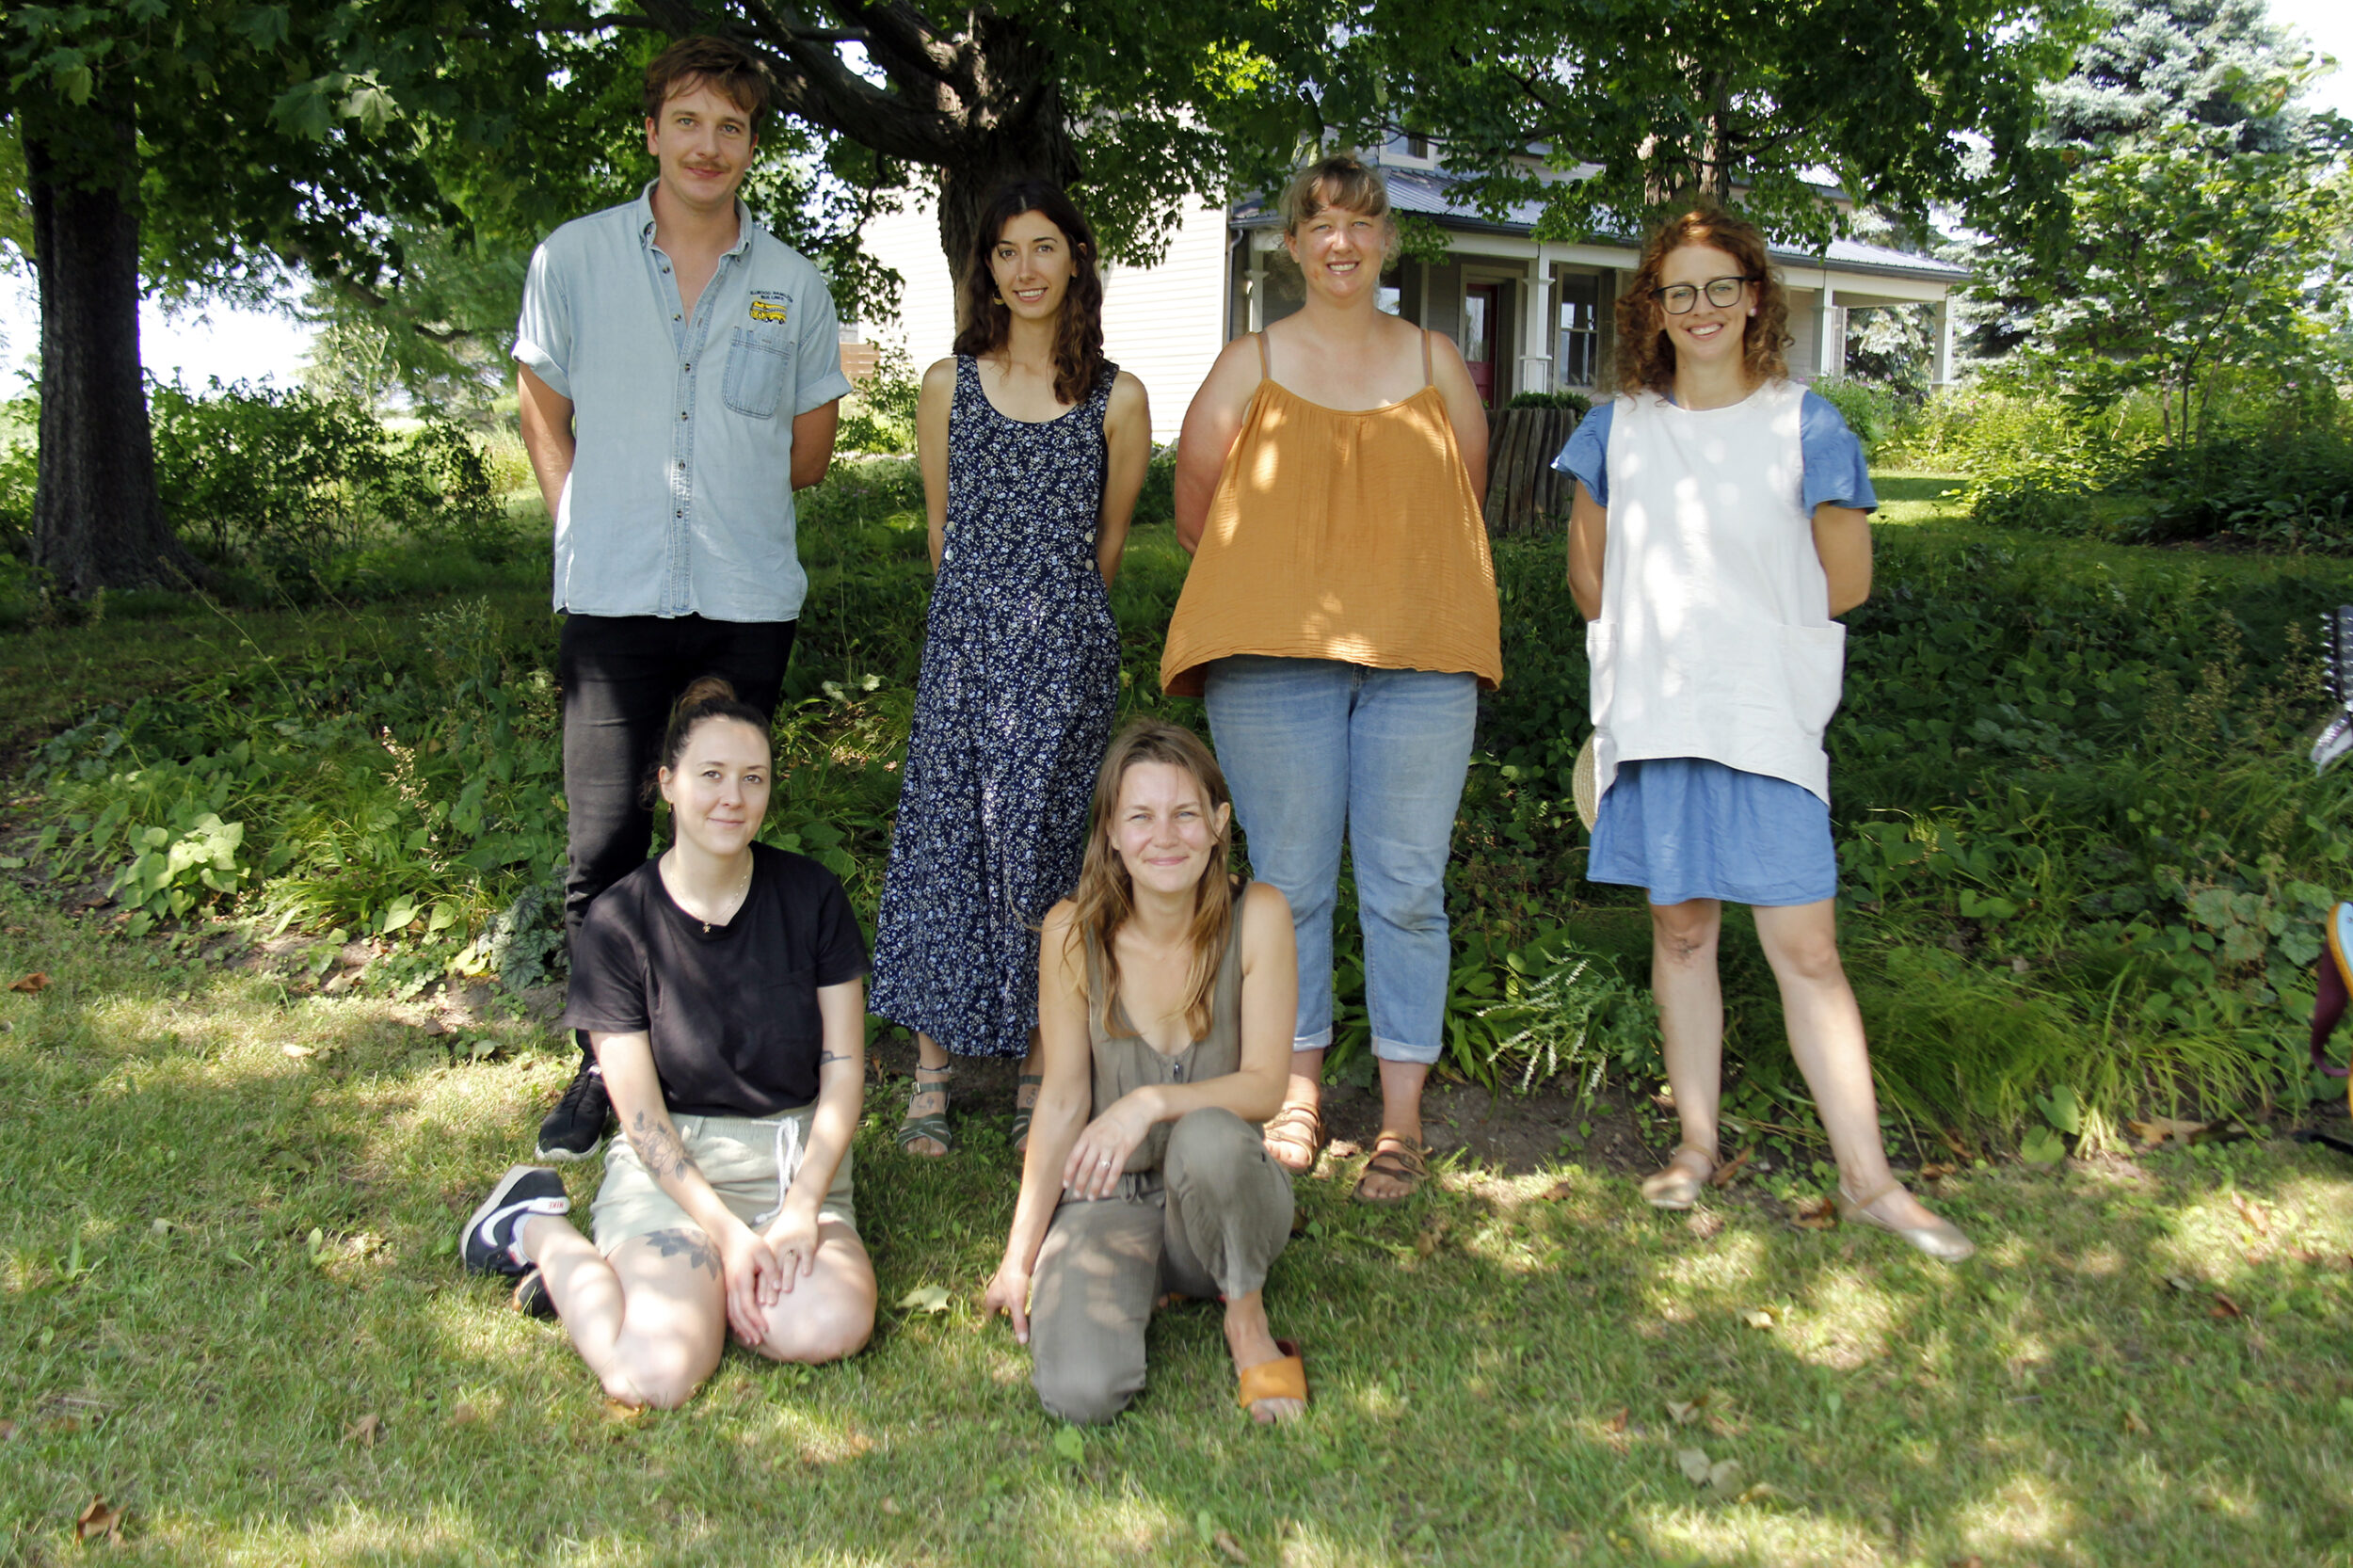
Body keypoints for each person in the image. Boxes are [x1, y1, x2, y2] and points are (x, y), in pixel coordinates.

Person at [1556, 205, 1974, 1262]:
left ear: (1754, 299)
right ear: (1651, 309)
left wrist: (1745, 633)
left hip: (1766, 720)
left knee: (1808, 949)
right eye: (1675, 291)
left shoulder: (1807, 425)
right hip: (1653, 719)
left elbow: (1847, 581)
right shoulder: (1615, 430)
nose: (1697, 309)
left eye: (1717, 287)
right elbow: (1588, 580)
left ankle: (1869, 1180)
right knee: (1682, 934)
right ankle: (1695, 1146)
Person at [512, 35, 851, 1162]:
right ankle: (603, 1075)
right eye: (690, 120)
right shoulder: (572, 260)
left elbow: (809, 454)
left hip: (745, 595)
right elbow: (541, 410)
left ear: (754, 147)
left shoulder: (793, 284)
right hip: (611, 595)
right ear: (652, 130)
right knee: (605, 838)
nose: (710, 145)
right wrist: (577, 523)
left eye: (734, 126)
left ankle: (714, 1054)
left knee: (723, 822)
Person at [1161, 154, 1501, 1205]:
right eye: (1322, 224)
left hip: (1419, 661)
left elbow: (1462, 500)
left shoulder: (1438, 363)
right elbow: (1196, 512)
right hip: (1271, 668)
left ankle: (1399, 1121)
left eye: (1362, 222)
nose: (1342, 241)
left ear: (1385, 241)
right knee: (1291, 886)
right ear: (1294, 244)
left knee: (1405, 891)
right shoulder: (1247, 362)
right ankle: (1297, 1091)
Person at [460, 679, 877, 1405]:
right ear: (668, 784)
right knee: (655, 1375)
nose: (733, 798)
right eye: (711, 776)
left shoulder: (814, 898)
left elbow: (843, 1073)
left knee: (826, 1327)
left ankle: (697, 1293)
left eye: (754, 779)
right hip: (674, 1175)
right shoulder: (620, 923)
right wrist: (726, 1234)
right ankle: (536, 1232)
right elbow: (642, 1117)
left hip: (791, 1162)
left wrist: (803, 1206)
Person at [868, 184, 1151, 1159]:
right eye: (1005, 252)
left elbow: (1106, 545)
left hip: (1066, 654)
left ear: (1076, 258)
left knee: (1049, 859)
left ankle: (1039, 1065)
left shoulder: (1118, 397)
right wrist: (980, 629)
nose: (1025, 270)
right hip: (965, 651)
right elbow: (943, 531)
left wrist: (1054, 633)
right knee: (944, 852)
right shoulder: (950, 383)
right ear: (985, 268)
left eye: (1043, 248)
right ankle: (932, 1076)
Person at [982, 720, 1307, 1424]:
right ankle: (1141, 1280)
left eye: (1186, 813)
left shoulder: (1261, 918)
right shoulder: (1071, 933)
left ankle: (1244, 1318)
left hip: (1221, 1193)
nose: (1166, 836)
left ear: (1219, 824)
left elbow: (1266, 1087)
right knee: (1079, 1394)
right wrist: (1019, 1258)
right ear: (1112, 835)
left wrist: (1150, 1101)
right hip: (1109, 1201)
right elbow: (1064, 1098)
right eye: (1141, 817)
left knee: (1210, 1136)